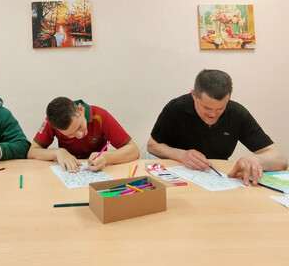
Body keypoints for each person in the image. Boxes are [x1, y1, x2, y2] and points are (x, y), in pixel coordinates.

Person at [147, 69, 288, 185]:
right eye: (206, 107)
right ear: (194, 95)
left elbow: (280, 160)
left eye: (220, 108)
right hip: (178, 179)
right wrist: (181, 155)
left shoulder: (236, 113)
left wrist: (257, 160)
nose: (213, 114)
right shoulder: (176, 108)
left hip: (217, 180)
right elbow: (152, 146)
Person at [28, 97, 140, 172]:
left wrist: (106, 157)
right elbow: (32, 152)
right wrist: (58, 152)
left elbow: (134, 150)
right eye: (70, 134)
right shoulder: (52, 123)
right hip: (70, 173)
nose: (80, 135)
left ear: (80, 110)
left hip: (98, 172)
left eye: (80, 127)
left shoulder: (100, 116)